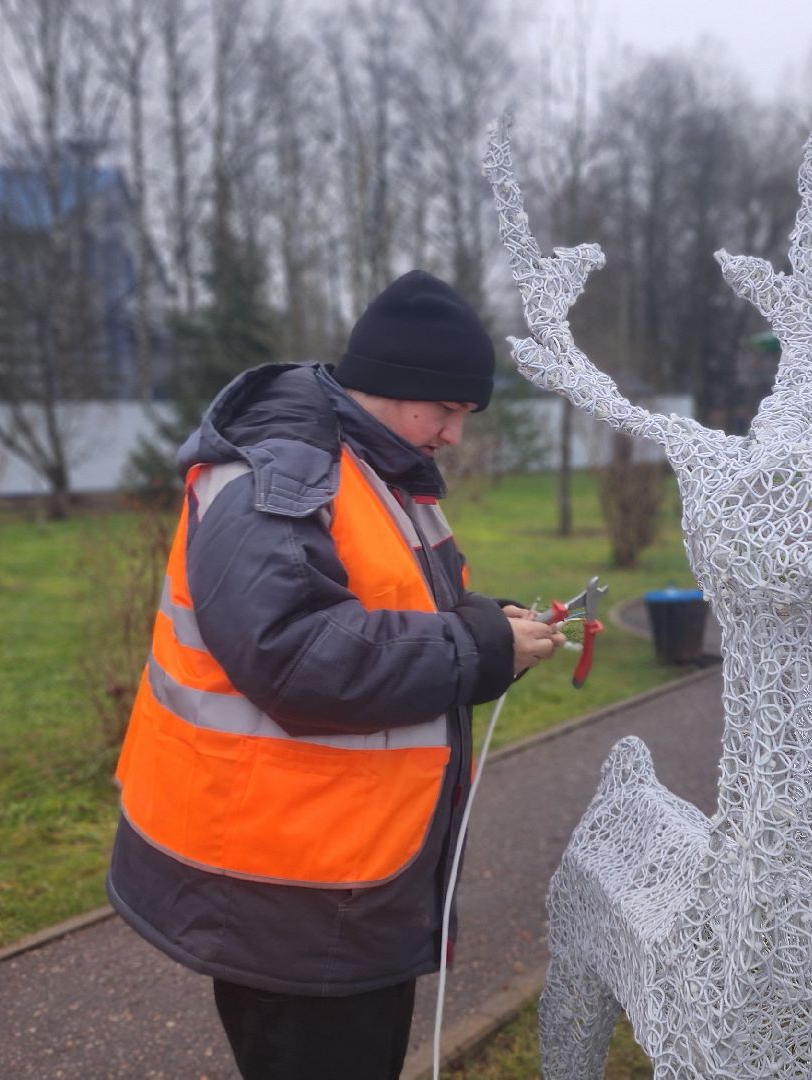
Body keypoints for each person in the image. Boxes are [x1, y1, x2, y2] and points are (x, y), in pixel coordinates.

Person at [107, 269, 566, 1079]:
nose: (456, 435)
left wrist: (493, 628)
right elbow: (296, 654)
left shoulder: (370, 466)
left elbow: (383, 611)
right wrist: (480, 647)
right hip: (290, 888)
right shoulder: (283, 473)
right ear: (396, 386)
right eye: (450, 410)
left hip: (333, 871)